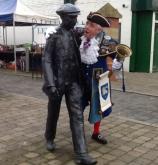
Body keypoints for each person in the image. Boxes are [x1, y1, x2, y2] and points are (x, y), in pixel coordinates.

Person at [42, 4, 97, 165]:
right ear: (64, 17)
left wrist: (94, 26)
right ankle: (49, 137)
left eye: (76, 17)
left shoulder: (75, 34)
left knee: (77, 115)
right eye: (72, 17)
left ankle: (81, 153)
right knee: (53, 113)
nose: (75, 20)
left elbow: (92, 32)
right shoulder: (53, 36)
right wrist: (50, 84)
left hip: (74, 82)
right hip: (58, 83)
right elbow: (46, 60)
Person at [80, 12, 117, 144]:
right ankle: (78, 134)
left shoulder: (108, 42)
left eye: (91, 25)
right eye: (87, 23)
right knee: (78, 106)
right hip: (82, 79)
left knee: (98, 107)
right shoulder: (81, 39)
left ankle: (96, 132)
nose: (87, 27)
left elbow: (117, 59)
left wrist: (117, 63)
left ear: (98, 29)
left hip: (98, 80)